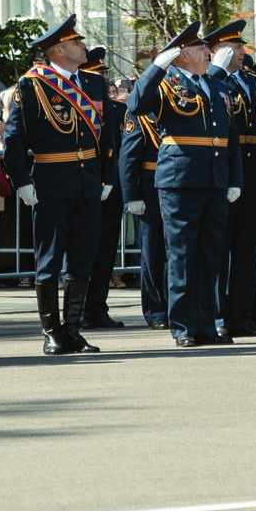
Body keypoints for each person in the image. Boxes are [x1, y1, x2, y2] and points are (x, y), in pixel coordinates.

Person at [125, 22, 239, 349]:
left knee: (210, 255)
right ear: (182, 55)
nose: (208, 53)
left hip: (214, 178)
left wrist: (234, 178)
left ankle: (206, 323)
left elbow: (228, 137)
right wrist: (155, 68)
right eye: (201, 49)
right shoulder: (166, 83)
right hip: (180, 178)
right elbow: (136, 105)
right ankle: (183, 326)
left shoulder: (216, 87)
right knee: (183, 255)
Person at [3, 16, 110, 356]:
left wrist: (106, 177)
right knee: (49, 260)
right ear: (59, 49)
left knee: (83, 259)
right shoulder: (32, 85)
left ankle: (73, 330)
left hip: (88, 183)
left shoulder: (94, 83)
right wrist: (22, 181)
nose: (83, 46)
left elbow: (107, 137)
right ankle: (51, 330)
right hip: (51, 181)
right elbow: (15, 139)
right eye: (77, 42)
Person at [204, 19, 256, 336]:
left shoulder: (250, 81)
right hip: (226, 172)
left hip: (252, 177)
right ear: (217, 51)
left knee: (246, 252)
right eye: (235, 47)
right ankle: (218, 316)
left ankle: (242, 317)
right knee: (219, 250)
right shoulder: (212, 81)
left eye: (241, 47)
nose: (242, 52)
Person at [74, 44, 129, 331]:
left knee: (106, 251)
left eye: (105, 78)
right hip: (85, 184)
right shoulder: (76, 107)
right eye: (99, 77)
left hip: (112, 187)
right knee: (84, 251)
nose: (104, 83)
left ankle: (98, 307)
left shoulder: (120, 110)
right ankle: (81, 310)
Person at [115, 57, 169, 330]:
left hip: (174, 184)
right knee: (152, 251)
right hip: (149, 186)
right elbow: (129, 156)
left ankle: (173, 305)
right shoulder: (138, 114)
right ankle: (155, 309)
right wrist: (131, 194)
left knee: (175, 251)